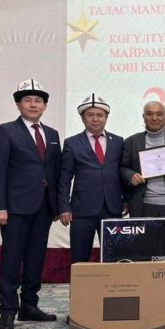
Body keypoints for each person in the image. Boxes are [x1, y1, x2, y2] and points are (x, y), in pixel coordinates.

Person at [0, 79, 61, 329]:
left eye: (38, 100)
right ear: (19, 105)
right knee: (12, 259)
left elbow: (54, 171)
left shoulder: (52, 134)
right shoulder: (6, 131)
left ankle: (29, 305)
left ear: (45, 106)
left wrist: (57, 205)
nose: (33, 104)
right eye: (28, 100)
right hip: (15, 208)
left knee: (35, 258)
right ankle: (7, 311)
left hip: (44, 207)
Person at [59, 94, 124, 264]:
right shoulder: (72, 143)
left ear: (106, 117)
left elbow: (123, 172)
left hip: (112, 209)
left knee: (115, 258)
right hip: (82, 210)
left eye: (100, 115)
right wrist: (64, 207)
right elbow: (65, 178)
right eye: (90, 115)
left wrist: (127, 199)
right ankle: (81, 284)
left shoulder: (118, 142)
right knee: (80, 259)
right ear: (82, 118)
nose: (95, 119)